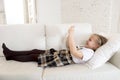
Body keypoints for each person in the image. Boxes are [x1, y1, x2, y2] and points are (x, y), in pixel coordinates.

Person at [2, 26, 108, 68]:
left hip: (61, 59)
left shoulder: (90, 53)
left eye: (90, 40)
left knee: (33, 56)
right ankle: (10, 53)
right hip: (60, 53)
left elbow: (75, 53)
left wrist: (71, 34)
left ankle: (10, 56)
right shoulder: (85, 48)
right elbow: (69, 46)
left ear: (96, 46)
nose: (87, 40)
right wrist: (68, 36)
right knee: (34, 50)